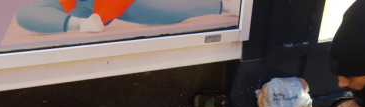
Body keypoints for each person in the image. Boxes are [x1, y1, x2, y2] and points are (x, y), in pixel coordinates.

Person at [16, 0, 240, 35]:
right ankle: (82, 25)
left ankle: (226, 5)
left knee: (166, 11)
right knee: (25, 14)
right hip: (79, 9)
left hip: (115, 5)